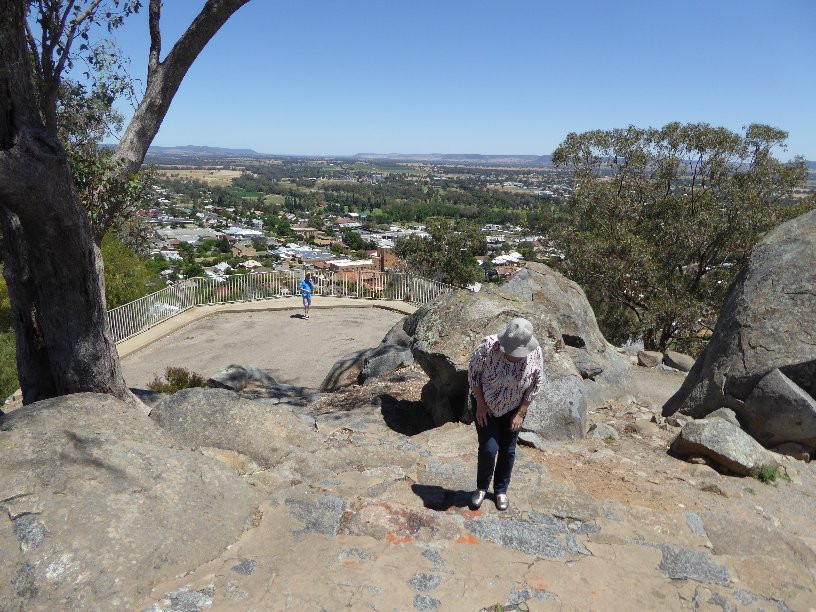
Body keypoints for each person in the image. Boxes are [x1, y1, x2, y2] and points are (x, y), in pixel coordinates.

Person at [467, 317, 543, 511]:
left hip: (515, 409)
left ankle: (501, 490)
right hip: (486, 405)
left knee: (508, 450)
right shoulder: (488, 346)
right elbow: (474, 374)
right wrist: (481, 405)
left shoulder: (535, 353)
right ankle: (481, 488)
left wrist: (520, 413)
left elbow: (535, 384)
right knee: (489, 448)